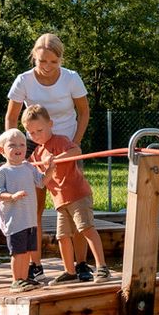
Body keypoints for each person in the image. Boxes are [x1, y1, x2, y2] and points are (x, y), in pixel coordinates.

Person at [4, 34, 89, 277]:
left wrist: (75, 144)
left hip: (66, 145)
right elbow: (11, 118)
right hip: (34, 145)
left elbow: (84, 113)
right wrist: (14, 147)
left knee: (73, 204)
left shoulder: (71, 78)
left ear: (61, 59)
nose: (48, 67)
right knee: (34, 207)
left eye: (54, 61)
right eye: (42, 61)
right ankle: (36, 265)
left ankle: (81, 264)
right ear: (34, 57)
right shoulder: (24, 80)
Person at [23, 103, 109, 283]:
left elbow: (76, 150)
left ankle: (102, 267)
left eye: (40, 130)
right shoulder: (37, 152)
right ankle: (70, 272)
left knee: (86, 228)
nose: (36, 135)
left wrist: (55, 160)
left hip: (78, 195)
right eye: (32, 133)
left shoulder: (60, 141)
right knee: (62, 236)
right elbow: (29, 168)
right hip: (60, 201)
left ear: (50, 124)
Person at [0, 128, 45, 291]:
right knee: (18, 253)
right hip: (15, 221)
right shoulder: (3, 171)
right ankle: (16, 280)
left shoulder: (29, 167)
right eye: (12, 145)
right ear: (2, 150)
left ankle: (24, 278)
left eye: (22, 145)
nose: (18, 148)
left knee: (27, 251)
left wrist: (51, 168)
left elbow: (41, 182)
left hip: (29, 219)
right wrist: (12, 197)